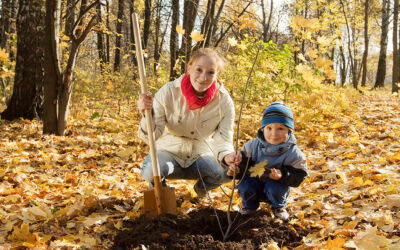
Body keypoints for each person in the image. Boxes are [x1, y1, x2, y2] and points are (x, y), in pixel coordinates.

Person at [137, 48, 240, 198]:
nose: (203, 77)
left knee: (227, 172)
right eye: (199, 70)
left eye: (210, 72)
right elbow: (151, 136)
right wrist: (147, 115)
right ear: (189, 68)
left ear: (216, 74)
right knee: (151, 171)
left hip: (200, 154)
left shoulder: (224, 101)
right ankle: (163, 196)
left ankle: (200, 190)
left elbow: (223, 138)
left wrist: (226, 157)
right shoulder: (169, 92)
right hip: (168, 152)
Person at [226, 101, 307, 220]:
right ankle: (250, 207)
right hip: (254, 182)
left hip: (275, 185)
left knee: (275, 188)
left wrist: (283, 175)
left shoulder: (293, 152)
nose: (274, 134)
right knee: (244, 185)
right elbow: (243, 166)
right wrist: (236, 171)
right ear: (263, 129)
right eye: (269, 128)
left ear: (289, 131)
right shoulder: (252, 146)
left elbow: (299, 175)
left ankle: (278, 207)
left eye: (280, 128)